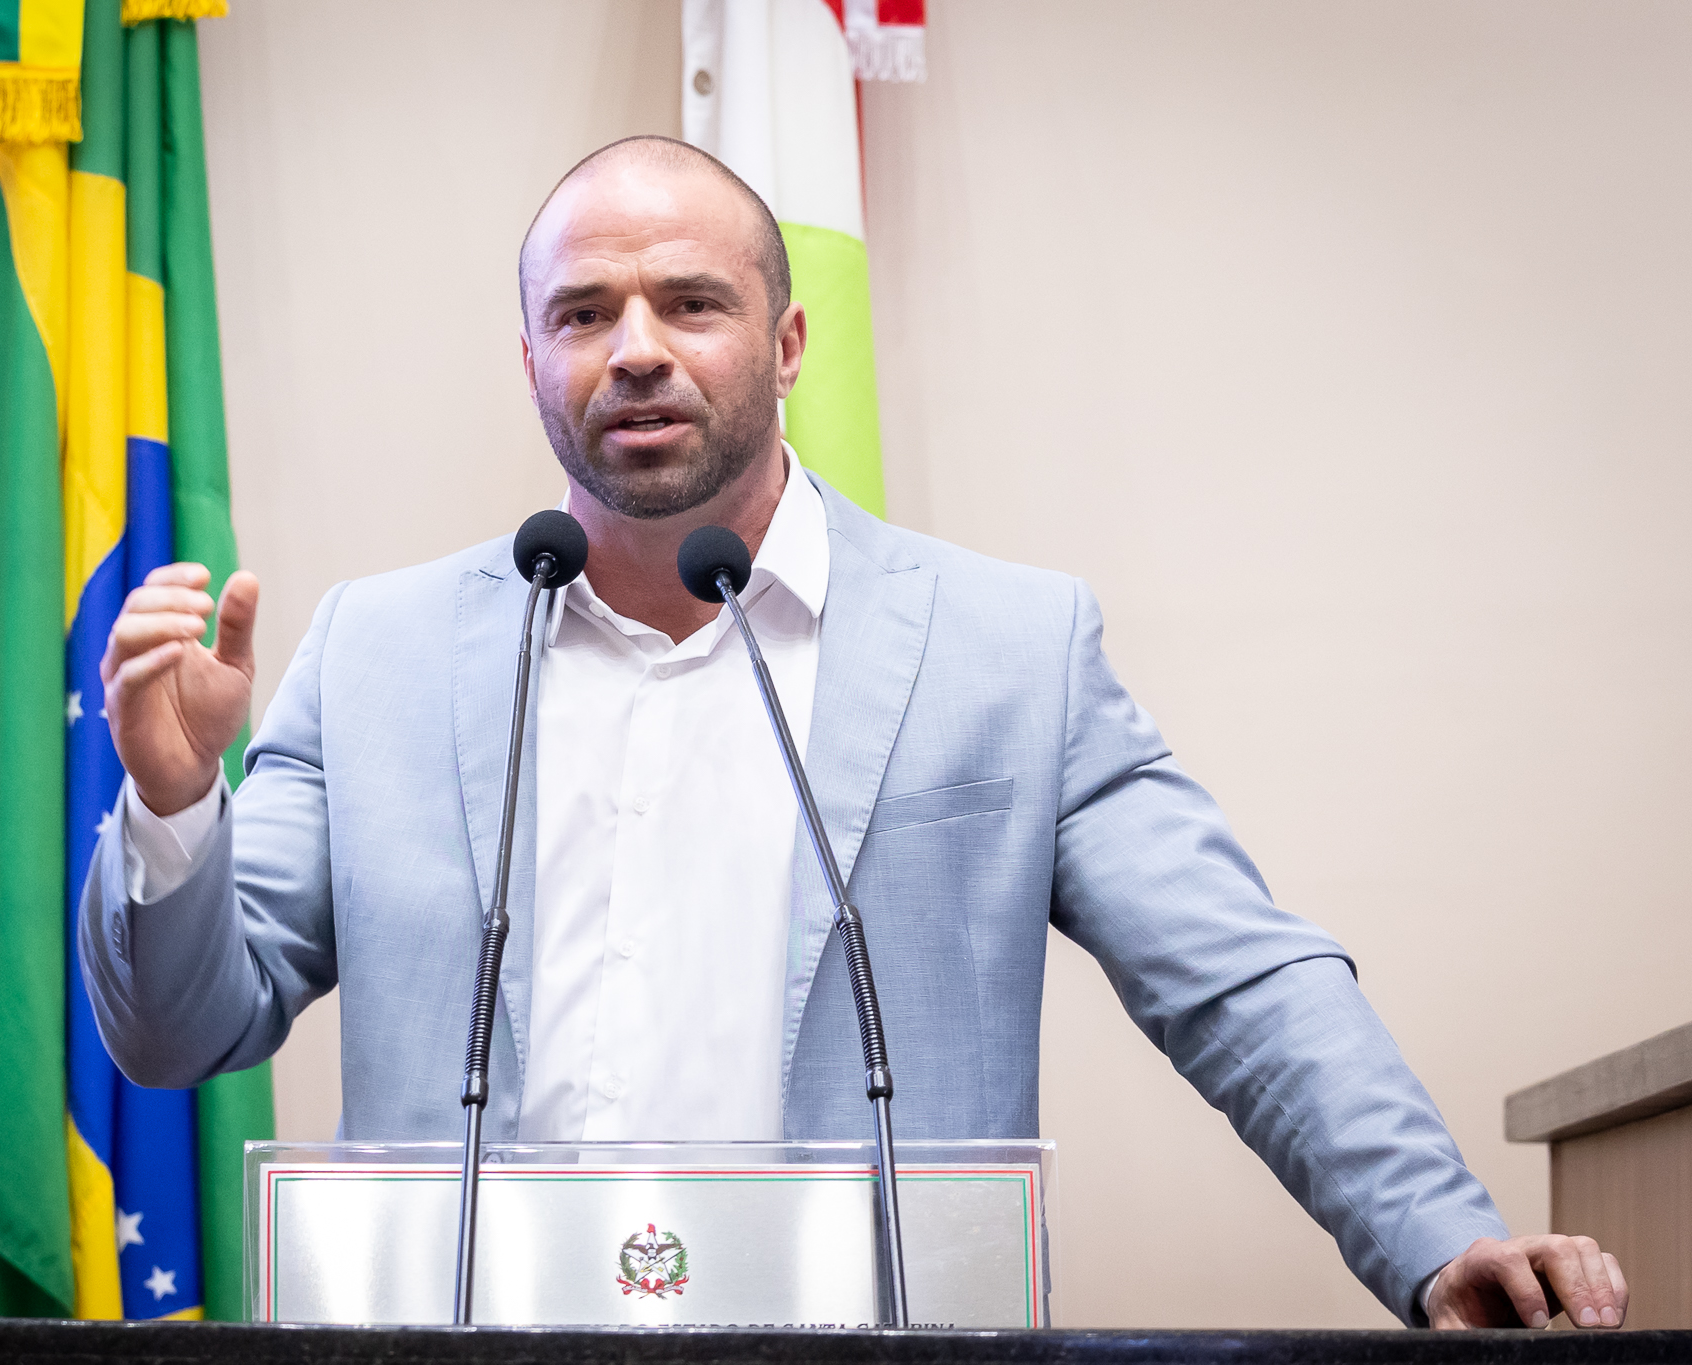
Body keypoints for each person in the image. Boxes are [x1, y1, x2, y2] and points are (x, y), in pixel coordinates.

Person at [80, 136, 1625, 1330]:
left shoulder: (1008, 650)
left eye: (692, 302)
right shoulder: (379, 653)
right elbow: (178, 1030)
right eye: (583, 312)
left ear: (789, 343)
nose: (635, 347)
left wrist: (1438, 1236)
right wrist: (171, 802)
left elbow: (1240, 981)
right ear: (531, 359)